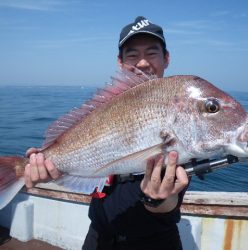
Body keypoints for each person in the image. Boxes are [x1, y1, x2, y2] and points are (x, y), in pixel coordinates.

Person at [24, 16, 189, 250]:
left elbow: (171, 202)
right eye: (132, 55)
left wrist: (158, 199)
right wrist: (50, 164)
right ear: (120, 62)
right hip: (98, 238)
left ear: (167, 58)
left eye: (152, 53)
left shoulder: (179, 111)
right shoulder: (104, 109)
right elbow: (80, 152)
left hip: (155, 242)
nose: (142, 63)